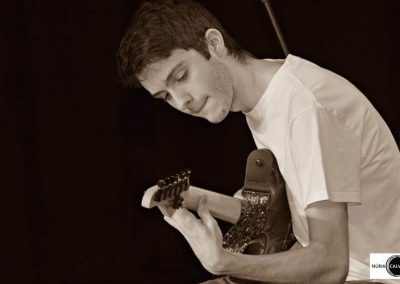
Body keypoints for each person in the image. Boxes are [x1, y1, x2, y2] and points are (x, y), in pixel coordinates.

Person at [116, 0, 400, 283]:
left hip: (383, 268)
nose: (182, 102)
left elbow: (330, 264)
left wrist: (224, 262)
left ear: (214, 44)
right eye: (166, 97)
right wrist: (195, 199)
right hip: (354, 265)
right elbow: (284, 217)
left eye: (181, 77)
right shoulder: (266, 98)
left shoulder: (304, 106)